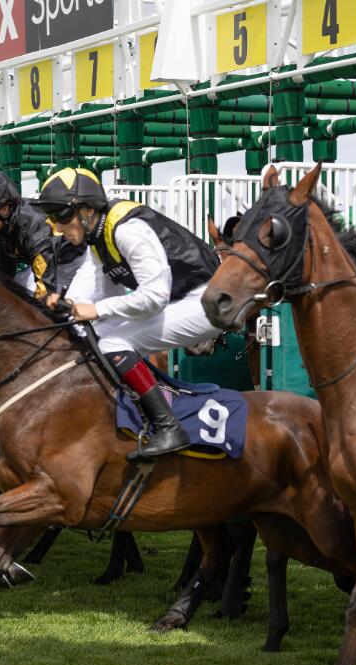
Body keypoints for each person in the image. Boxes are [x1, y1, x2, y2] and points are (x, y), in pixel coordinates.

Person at [34, 168, 221, 459]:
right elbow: (96, 288)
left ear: (84, 210)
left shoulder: (126, 230)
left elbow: (154, 297)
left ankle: (168, 426)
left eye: (61, 216)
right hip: (181, 299)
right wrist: (67, 306)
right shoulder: (98, 237)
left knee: (111, 341)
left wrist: (95, 310)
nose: (58, 228)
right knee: (95, 332)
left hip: (206, 301)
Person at [0, 170, 85, 298]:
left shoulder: (34, 229)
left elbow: (45, 289)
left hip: (73, 263)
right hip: (49, 264)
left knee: (56, 308)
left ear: (5, 209)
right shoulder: (4, 224)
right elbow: (5, 268)